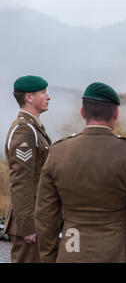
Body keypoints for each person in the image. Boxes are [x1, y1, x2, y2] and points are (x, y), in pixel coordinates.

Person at [35, 82, 126, 262]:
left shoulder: (58, 152)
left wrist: (49, 258)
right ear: (116, 114)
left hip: (70, 252)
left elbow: (45, 217)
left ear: (83, 113)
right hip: (116, 253)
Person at [2, 75, 51, 263]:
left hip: (37, 218)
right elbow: (21, 182)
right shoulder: (25, 130)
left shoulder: (33, 128)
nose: (48, 97)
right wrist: (27, 226)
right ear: (29, 97)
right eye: (43, 92)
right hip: (30, 222)